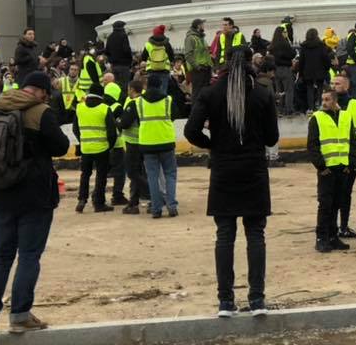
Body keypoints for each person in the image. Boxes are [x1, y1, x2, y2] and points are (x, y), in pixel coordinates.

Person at [185, 48, 279, 318]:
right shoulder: (262, 93)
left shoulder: (210, 93)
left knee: (225, 235)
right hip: (253, 168)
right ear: (252, 63)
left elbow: (191, 131)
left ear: (224, 63)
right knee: (255, 234)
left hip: (223, 168)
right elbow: (271, 137)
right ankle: (257, 299)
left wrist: (213, 145)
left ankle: (225, 301)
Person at [0, 71, 70, 335]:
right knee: (29, 255)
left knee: (1, 254)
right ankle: (19, 315)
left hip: (0, 191)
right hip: (34, 193)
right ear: (40, 91)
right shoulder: (40, 111)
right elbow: (61, 146)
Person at [120, 73, 178, 218]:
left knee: (152, 176)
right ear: (160, 85)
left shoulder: (138, 102)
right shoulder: (168, 100)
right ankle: (171, 206)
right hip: (166, 141)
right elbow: (175, 115)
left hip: (147, 143)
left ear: (147, 86)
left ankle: (156, 209)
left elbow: (128, 121)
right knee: (170, 174)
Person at [307, 87, 356, 253]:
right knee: (325, 204)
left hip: (342, 168)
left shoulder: (346, 117)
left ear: (335, 100)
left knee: (337, 203)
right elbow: (312, 145)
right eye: (323, 100)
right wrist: (321, 166)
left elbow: (352, 141)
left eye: (327, 99)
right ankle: (321, 237)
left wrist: (350, 164)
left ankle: (333, 237)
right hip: (326, 169)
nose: (324, 103)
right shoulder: (317, 118)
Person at [332, 74, 356, 239]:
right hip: (333, 156)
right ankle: (334, 226)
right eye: (332, 83)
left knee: (346, 192)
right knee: (334, 192)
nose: (334, 85)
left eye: (337, 83)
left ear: (346, 86)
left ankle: (343, 226)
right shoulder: (328, 104)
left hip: (352, 156)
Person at [72, 86, 117, 214]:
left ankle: (82, 200)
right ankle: (99, 203)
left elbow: (75, 129)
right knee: (101, 176)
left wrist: (83, 141)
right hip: (102, 148)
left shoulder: (79, 108)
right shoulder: (104, 109)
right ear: (101, 95)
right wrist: (110, 146)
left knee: (85, 175)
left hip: (86, 148)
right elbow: (112, 132)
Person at [118, 79, 148, 214]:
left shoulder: (133, 103)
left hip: (133, 143)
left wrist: (118, 121)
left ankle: (153, 193)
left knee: (132, 172)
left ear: (132, 89)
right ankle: (133, 202)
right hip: (145, 141)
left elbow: (125, 123)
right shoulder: (145, 102)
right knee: (139, 172)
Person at [298, 28, 332, 112]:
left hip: (308, 72)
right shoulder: (321, 45)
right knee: (320, 89)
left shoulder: (304, 46)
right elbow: (326, 58)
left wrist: (301, 73)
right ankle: (320, 105)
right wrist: (327, 68)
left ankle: (310, 108)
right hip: (320, 71)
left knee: (309, 90)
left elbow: (301, 61)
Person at [268, 26, 296, 116]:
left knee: (279, 90)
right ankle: (289, 109)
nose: (285, 34)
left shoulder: (272, 45)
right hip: (285, 69)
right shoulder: (285, 44)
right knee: (288, 90)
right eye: (284, 32)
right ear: (281, 33)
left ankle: (280, 109)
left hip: (276, 69)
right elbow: (292, 54)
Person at [184, 18, 214, 97]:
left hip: (206, 69)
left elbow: (206, 54)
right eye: (203, 25)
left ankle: (204, 109)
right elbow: (188, 55)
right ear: (199, 26)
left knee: (205, 93)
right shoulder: (190, 38)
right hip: (198, 71)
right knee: (197, 93)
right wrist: (198, 67)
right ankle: (196, 109)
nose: (204, 26)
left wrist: (210, 66)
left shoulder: (201, 38)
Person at [104, 20, 133, 87]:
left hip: (114, 66)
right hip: (124, 65)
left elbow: (106, 51)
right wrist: (130, 60)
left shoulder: (110, 37)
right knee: (124, 86)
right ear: (121, 27)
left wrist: (111, 60)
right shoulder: (123, 35)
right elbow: (126, 50)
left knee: (116, 85)